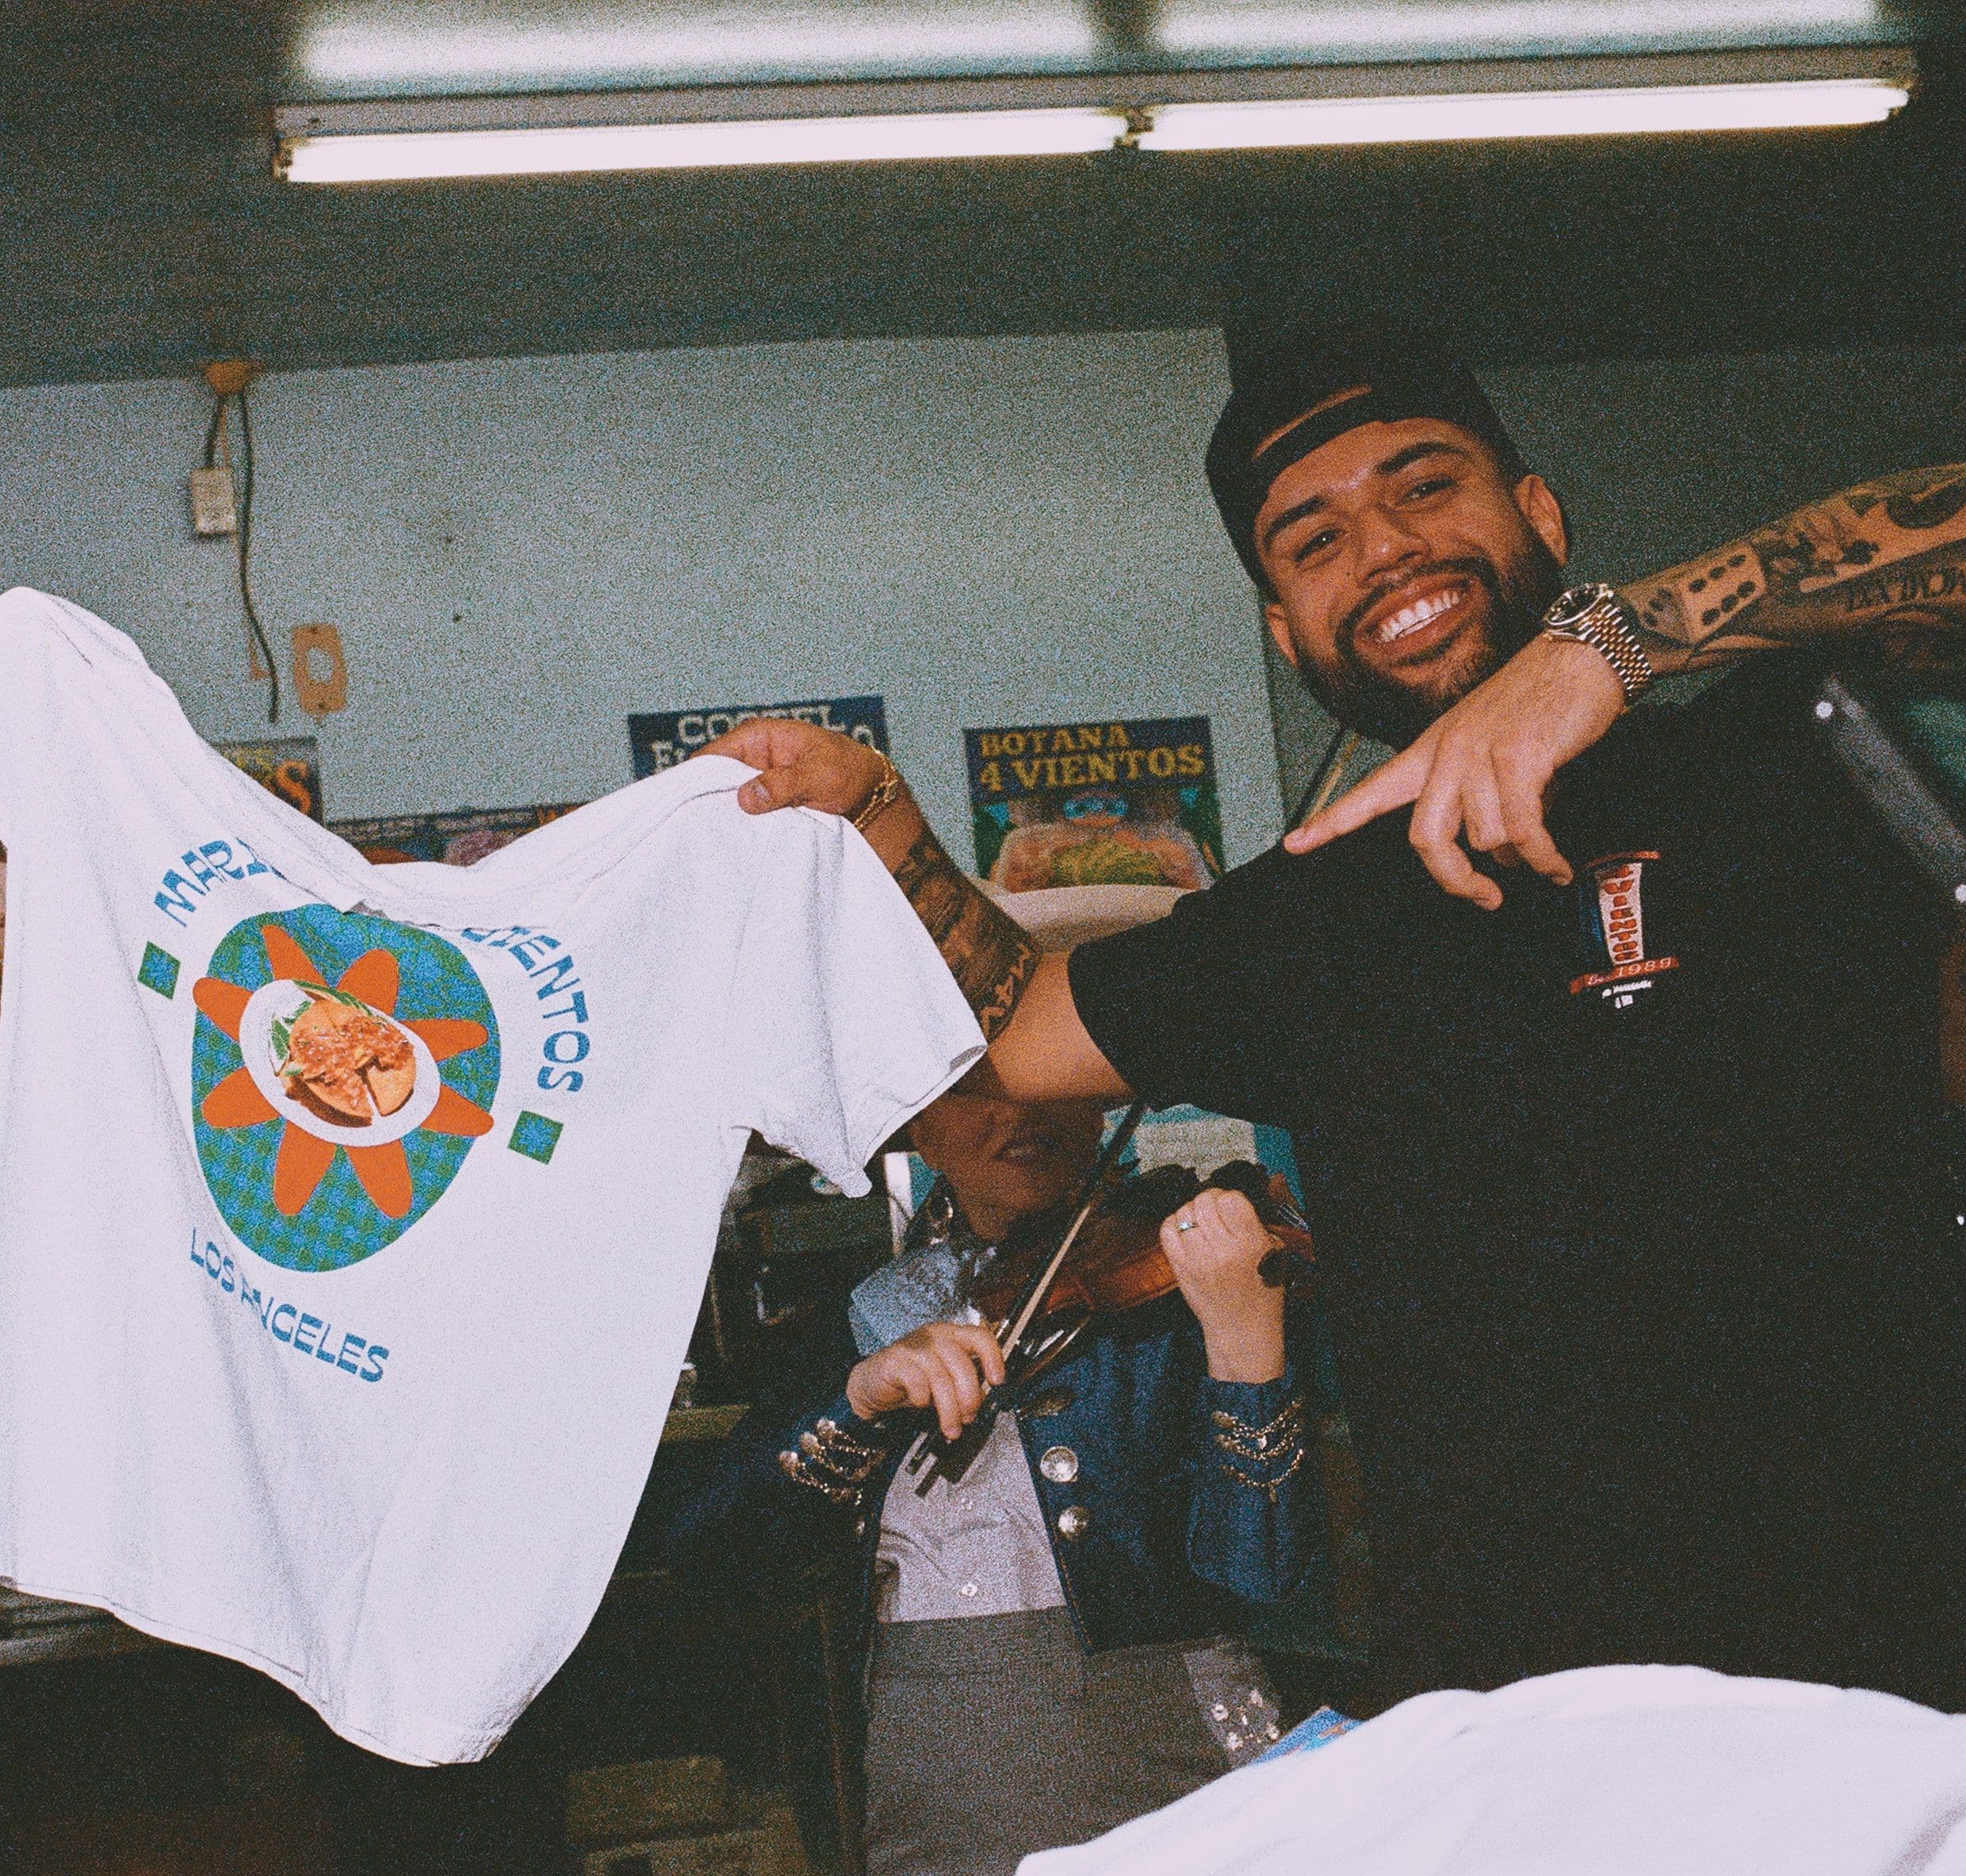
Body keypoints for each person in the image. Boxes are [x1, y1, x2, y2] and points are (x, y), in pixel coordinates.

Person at [705, 324, 1966, 1713]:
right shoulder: (1306, 919)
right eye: (1311, 541)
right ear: (1283, 630)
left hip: (1892, 1682)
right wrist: (882, 813)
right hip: (1518, 1719)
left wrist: (1610, 646)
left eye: (1426, 486)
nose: (1381, 549)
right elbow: (1013, 1039)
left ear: (1537, 511)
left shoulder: (1789, 760)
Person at [671, 887, 1322, 1876]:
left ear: (1106, 1090)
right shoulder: (869, 1316)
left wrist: (1243, 1340)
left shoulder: (1194, 1272)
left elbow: (1264, 1582)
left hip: (1185, 1785)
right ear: (918, 1129)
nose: (1018, 1108)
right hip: (940, 1810)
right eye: (971, 1081)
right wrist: (856, 1400)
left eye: (1045, 1069)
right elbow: (718, 1558)